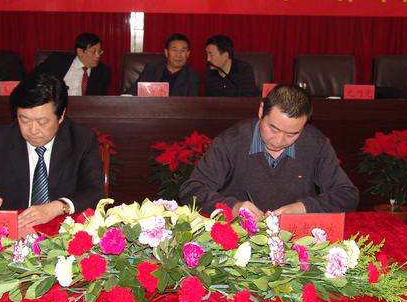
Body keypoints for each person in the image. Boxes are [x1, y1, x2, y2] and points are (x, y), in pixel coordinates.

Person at [0, 74, 104, 228]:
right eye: (24, 120)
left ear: (61, 116)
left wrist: (57, 207)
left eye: (42, 122)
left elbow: (95, 192)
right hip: (10, 234)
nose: (33, 130)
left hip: (62, 233)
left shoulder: (81, 140)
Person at [179, 84, 359, 218]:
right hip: (239, 237)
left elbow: (347, 196)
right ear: (261, 111)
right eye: (273, 128)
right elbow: (192, 190)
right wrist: (233, 207)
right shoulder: (231, 141)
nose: (279, 140)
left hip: (295, 239)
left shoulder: (316, 144)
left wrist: (303, 208)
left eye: (292, 134)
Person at [33, 32, 111, 95]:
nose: (98, 55)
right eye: (93, 52)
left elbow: (98, 100)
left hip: (84, 109)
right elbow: (34, 77)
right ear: (80, 52)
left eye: (99, 51)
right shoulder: (57, 61)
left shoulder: (103, 72)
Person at [126, 33, 201, 96]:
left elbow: (192, 105)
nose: (178, 55)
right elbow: (133, 92)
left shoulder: (193, 77)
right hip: (150, 107)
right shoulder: (151, 69)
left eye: (183, 51)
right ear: (166, 52)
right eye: (174, 50)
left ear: (188, 54)